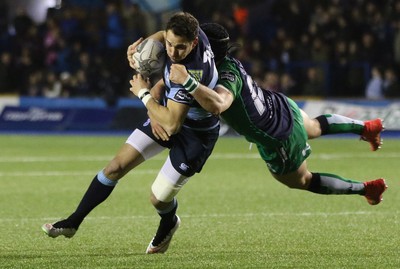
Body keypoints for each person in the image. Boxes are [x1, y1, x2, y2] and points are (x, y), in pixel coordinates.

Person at [42, 12, 220, 255]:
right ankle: (73, 221)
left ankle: (169, 222)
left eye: (180, 48)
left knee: (158, 199)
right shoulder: (189, 30)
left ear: (194, 43)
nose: (172, 52)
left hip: (194, 136)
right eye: (169, 44)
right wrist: (143, 50)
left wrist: (143, 93)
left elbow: (172, 126)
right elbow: (161, 36)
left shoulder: (192, 71)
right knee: (114, 167)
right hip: (169, 113)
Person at [168, 23, 387, 205]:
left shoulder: (224, 77)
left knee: (301, 180)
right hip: (281, 105)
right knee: (315, 126)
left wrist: (187, 81)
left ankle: (368, 189)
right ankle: (367, 127)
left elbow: (218, 103)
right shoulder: (223, 64)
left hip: (277, 136)